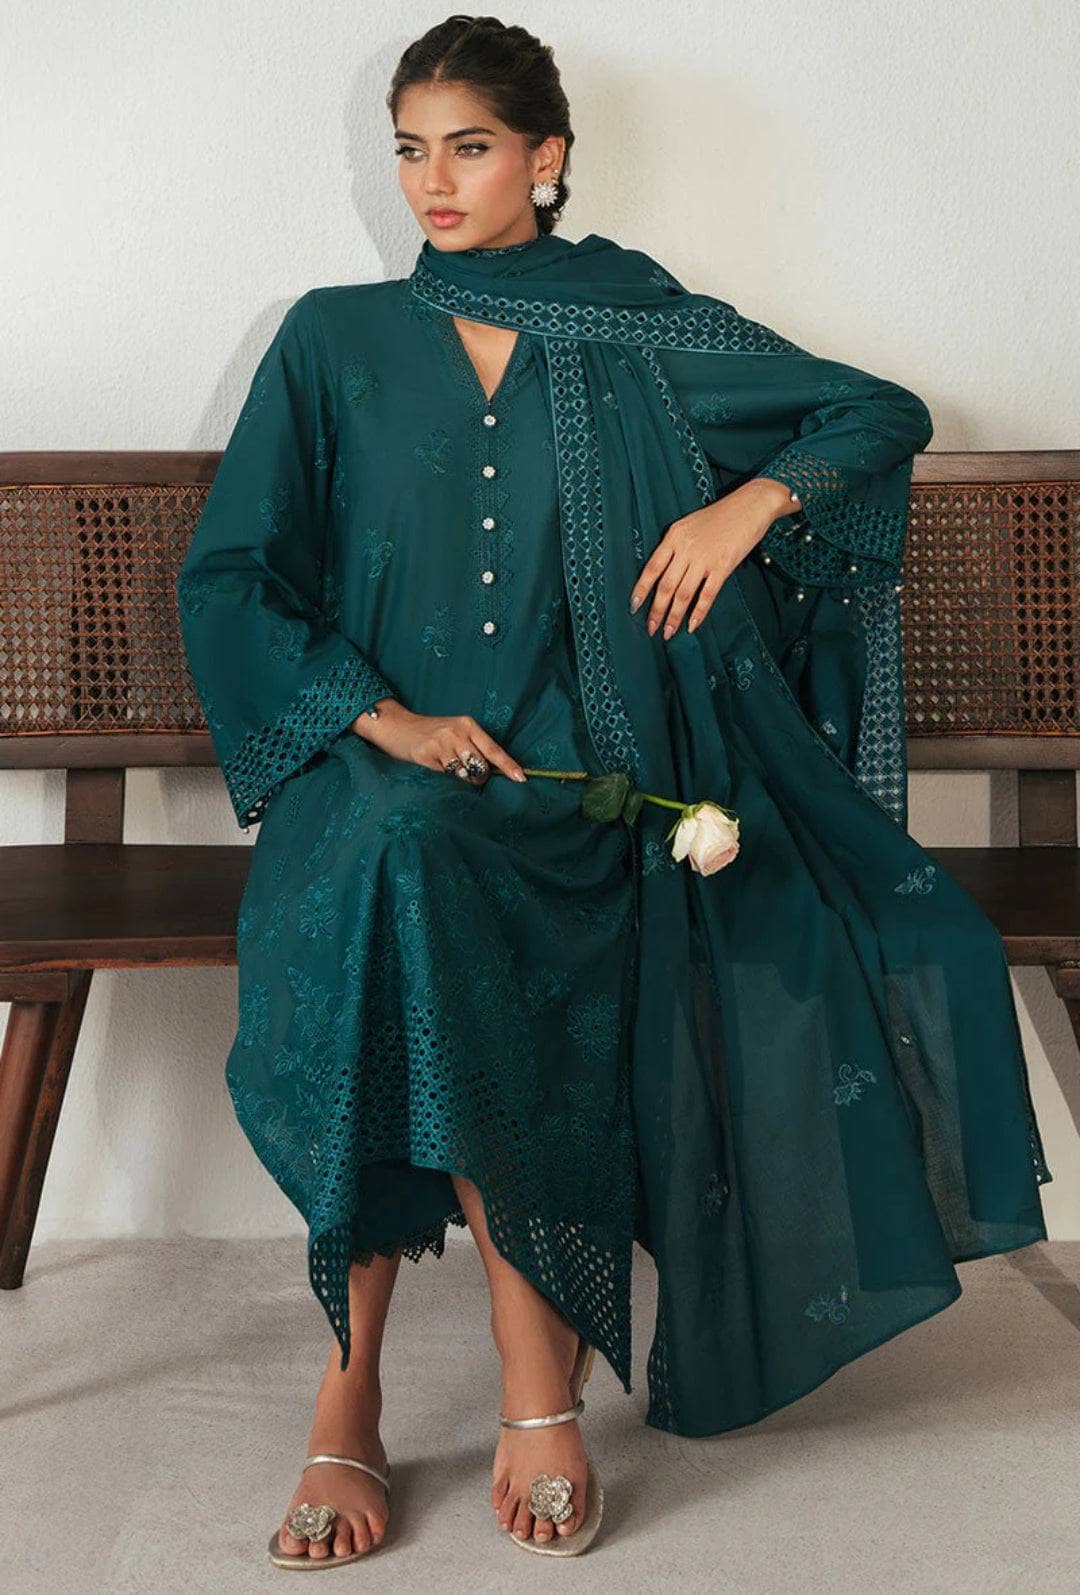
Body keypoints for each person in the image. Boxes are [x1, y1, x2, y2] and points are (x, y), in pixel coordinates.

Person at [177, 14, 1053, 1568]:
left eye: (468, 146)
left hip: (591, 788)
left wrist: (751, 510)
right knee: (403, 869)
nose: (431, 182)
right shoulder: (333, 336)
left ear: (547, 159)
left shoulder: (640, 333)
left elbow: (879, 414)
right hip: (377, 768)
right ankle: (422, 1388)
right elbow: (239, 578)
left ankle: (390, 1398)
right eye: (410, 148)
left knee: (441, 882)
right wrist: (380, 718)